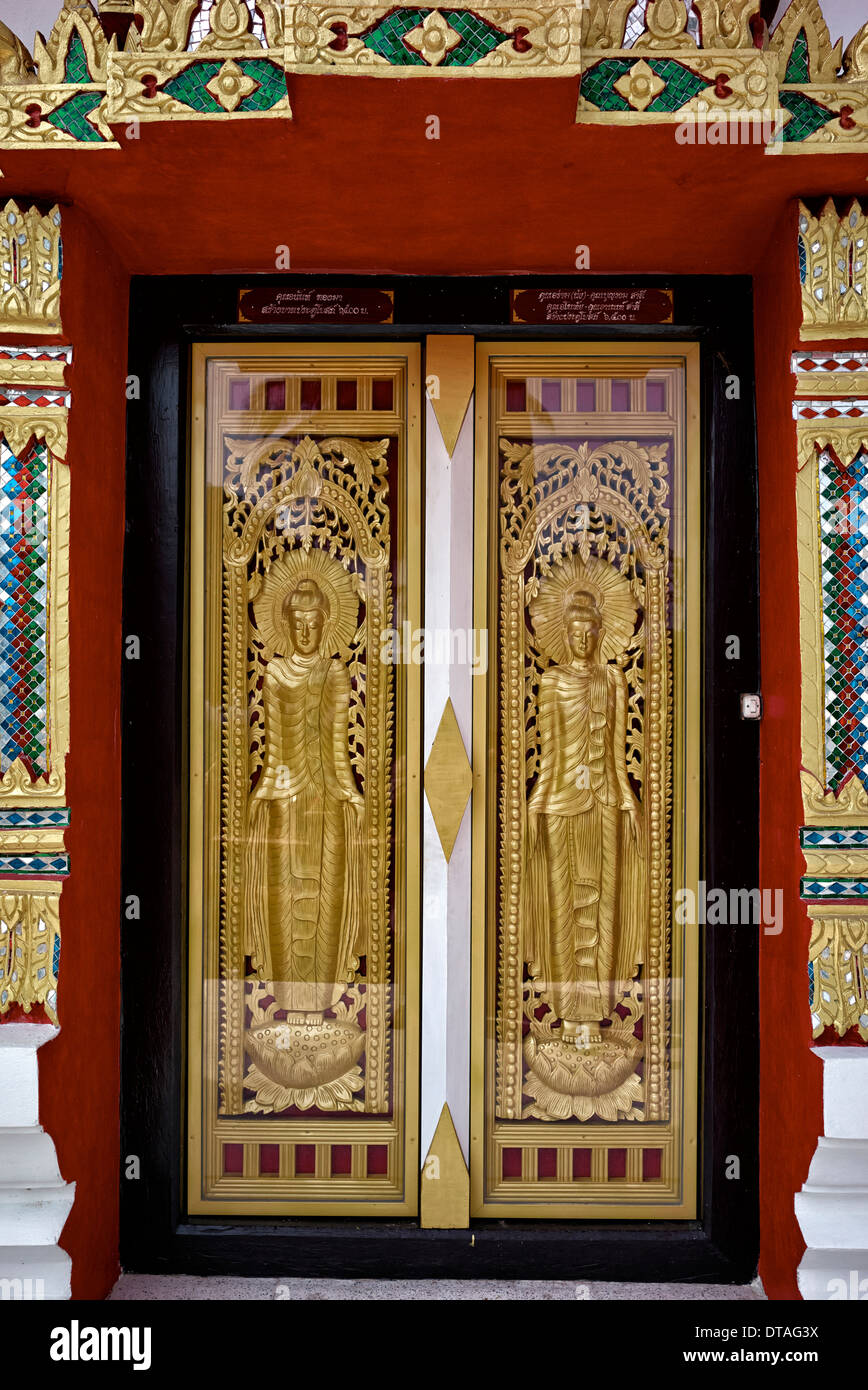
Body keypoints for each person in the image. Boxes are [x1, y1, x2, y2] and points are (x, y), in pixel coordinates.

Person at [525, 588, 645, 1048]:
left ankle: (595, 1013)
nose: (580, 640)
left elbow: (616, 754)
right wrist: (536, 802)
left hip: (605, 802)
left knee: (602, 905)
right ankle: (565, 1011)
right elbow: (550, 753)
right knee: (563, 905)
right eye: (573, 633)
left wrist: (630, 802)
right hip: (561, 801)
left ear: (598, 634)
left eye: (587, 632)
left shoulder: (612, 681)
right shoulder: (552, 683)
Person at [244, 577, 365, 1019]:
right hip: (287, 799)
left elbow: (338, 747)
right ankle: (291, 1003)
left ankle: (319, 1003)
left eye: (315, 624)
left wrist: (352, 795)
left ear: (326, 623)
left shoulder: (334, 673)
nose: (307, 633)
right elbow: (274, 748)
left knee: (324, 895)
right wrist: (263, 793)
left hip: (326, 797)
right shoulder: (274, 673)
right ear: (287, 624)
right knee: (287, 895)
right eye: (299, 623)